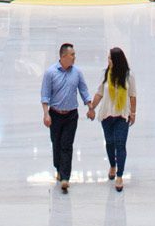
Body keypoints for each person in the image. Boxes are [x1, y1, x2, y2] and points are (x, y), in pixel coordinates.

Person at [41, 41, 94, 192]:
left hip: (71, 115)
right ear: (63, 56)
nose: (74, 57)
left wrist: (90, 107)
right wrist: (46, 114)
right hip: (55, 114)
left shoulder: (77, 72)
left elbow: (84, 90)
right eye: (72, 55)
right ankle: (58, 168)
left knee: (66, 145)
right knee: (56, 143)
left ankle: (65, 177)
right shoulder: (50, 73)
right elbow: (45, 96)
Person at [88, 46, 136, 190]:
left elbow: (132, 95)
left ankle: (120, 176)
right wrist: (92, 108)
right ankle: (112, 166)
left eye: (110, 58)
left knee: (120, 144)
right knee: (110, 143)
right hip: (107, 115)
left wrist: (133, 113)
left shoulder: (128, 76)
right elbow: (99, 93)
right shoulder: (105, 74)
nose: (108, 60)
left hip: (122, 115)